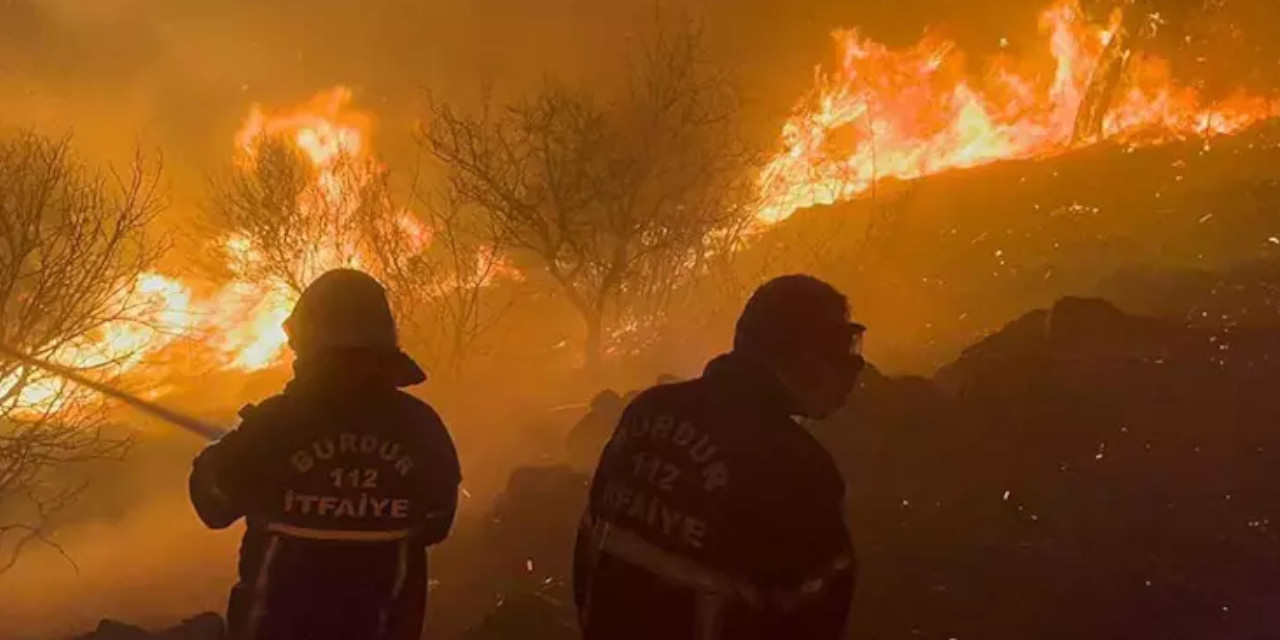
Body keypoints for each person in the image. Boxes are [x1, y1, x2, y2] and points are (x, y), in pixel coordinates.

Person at [573, 274, 865, 640]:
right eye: (836, 348)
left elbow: (588, 555)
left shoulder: (647, 413)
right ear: (794, 355)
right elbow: (814, 618)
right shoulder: (798, 468)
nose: (853, 367)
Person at [189, 269, 461, 640]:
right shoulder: (421, 426)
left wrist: (216, 460)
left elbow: (214, 505)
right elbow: (437, 521)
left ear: (311, 342)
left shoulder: (275, 424)